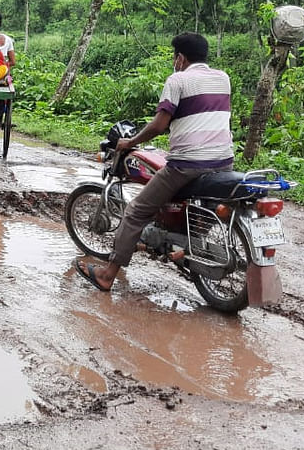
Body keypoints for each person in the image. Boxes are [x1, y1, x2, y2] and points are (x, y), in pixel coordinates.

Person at [74, 32, 234, 292]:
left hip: (187, 164)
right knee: (198, 207)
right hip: (224, 161)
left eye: (175, 57)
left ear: (180, 58)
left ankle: (107, 274)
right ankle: (186, 246)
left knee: (136, 210)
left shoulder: (178, 79)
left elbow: (160, 125)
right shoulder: (223, 78)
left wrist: (131, 142)